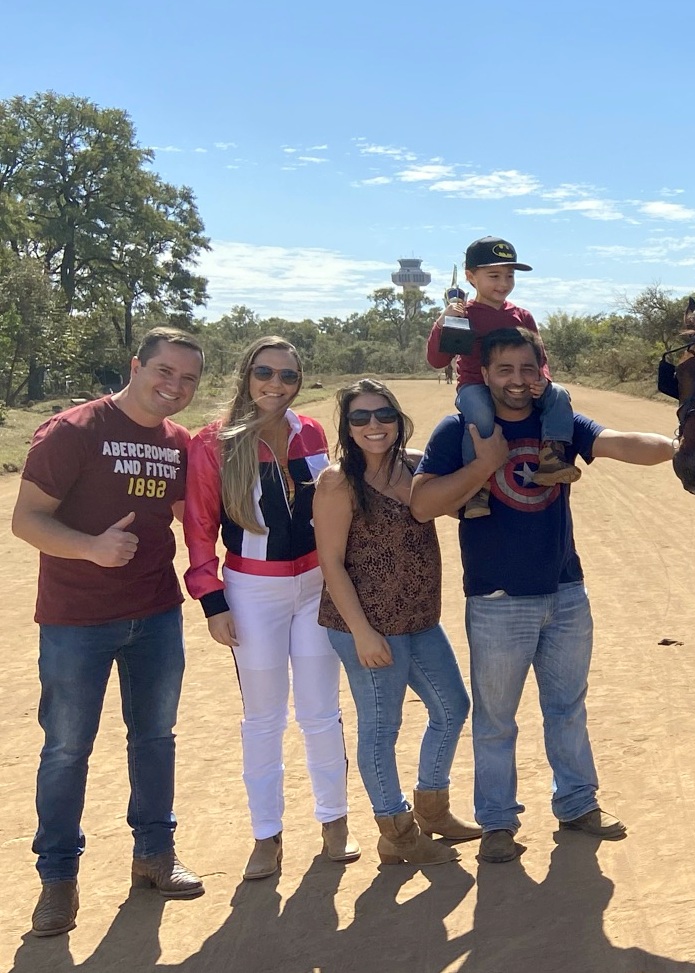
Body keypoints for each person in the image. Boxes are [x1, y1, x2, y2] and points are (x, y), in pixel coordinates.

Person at [410, 327, 676, 863]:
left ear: (540, 373)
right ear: (485, 374)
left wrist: (678, 447)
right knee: (496, 720)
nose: (517, 380)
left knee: (567, 707)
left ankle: (576, 803)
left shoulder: (559, 421)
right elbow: (421, 504)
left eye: (527, 369)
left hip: (565, 591)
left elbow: (618, 442)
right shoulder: (458, 430)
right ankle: (498, 822)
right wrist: (484, 464)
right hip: (496, 599)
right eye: (504, 370)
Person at [15, 328, 207, 937]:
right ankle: (57, 879)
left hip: (155, 613)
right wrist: (91, 549)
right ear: (136, 365)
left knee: (155, 738)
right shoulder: (73, 431)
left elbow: (190, 515)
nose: (174, 386)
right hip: (76, 619)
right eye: (165, 371)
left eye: (188, 379)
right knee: (66, 749)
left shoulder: (178, 443)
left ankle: (154, 855)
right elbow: (26, 520)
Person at [184, 336, 355, 880]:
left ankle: (334, 821)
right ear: (246, 375)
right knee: (263, 718)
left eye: (288, 375)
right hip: (252, 593)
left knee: (320, 711)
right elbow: (198, 528)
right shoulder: (213, 444)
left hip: (315, 587)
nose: (275, 384)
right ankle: (266, 835)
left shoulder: (312, 432)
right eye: (265, 372)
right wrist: (212, 600)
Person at [315, 380, 473, 867]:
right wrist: (362, 633)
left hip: (420, 620)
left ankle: (433, 810)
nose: (374, 425)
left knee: (452, 708)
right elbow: (330, 563)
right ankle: (397, 833)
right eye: (360, 417)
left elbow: (463, 495)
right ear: (347, 428)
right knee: (382, 728)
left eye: (383, 415)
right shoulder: (338, 482)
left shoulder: (418, 466)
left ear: (398, 420)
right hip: (367, 626)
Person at [424, 236, 579, 519]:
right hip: (475, 385)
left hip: (519, 385)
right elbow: (438, 361)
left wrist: (543, 380)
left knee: (558, 394)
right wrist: (442, 322)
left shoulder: (522, 316)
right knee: (480, 413)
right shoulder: (462, 315)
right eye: (494, 276)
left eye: (509, 276)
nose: (503, 283)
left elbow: (540, 358)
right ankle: (478, 486)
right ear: (470, 277)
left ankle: (551, 457)